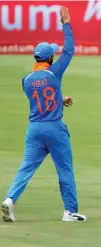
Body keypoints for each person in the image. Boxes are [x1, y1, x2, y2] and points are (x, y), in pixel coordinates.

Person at [1, 6, 86, 222]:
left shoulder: (26, 80)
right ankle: (69, 211)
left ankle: (10, 199)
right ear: (49, 59)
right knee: (65, 169)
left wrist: (59, 99)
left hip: (34, 129)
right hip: (54, 127)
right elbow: (69, 51)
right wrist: (66, 24)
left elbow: (41, 96)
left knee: (26, 167)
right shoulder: (54, 72)